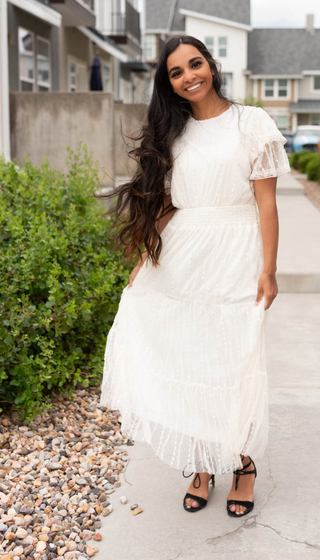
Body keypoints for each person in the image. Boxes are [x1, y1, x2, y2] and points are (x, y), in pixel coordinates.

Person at [100, 35, 290, 517]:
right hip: (185, 254)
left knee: (235, 362)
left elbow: (266, 202)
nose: (189, 76)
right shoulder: (173, 133)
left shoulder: (251, 123)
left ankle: (242, 465)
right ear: (169, 84)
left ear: (211, 64)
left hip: (236, 252)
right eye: (177, 72)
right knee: (190, 360)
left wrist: (268, 270)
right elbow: (168, 205)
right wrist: (144, 258)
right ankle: (203, 463)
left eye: (195, 64)